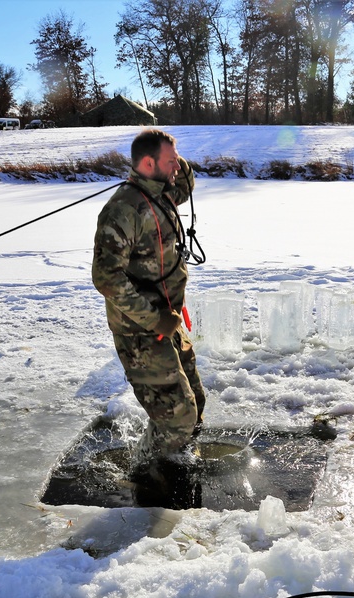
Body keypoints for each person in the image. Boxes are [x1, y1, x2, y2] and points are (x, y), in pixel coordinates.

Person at [92, 129, 206, 496]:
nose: (178, 167)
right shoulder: (123, 210)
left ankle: (175, 461)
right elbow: (106, 278)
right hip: (140, 331)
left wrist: (172, 153)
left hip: (168, 320)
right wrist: (154, 319)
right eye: (170, 161)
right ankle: (143, 473)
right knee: (178, 417)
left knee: (194, 404)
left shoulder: (162, 193)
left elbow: (186, 181)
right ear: (147, 164)